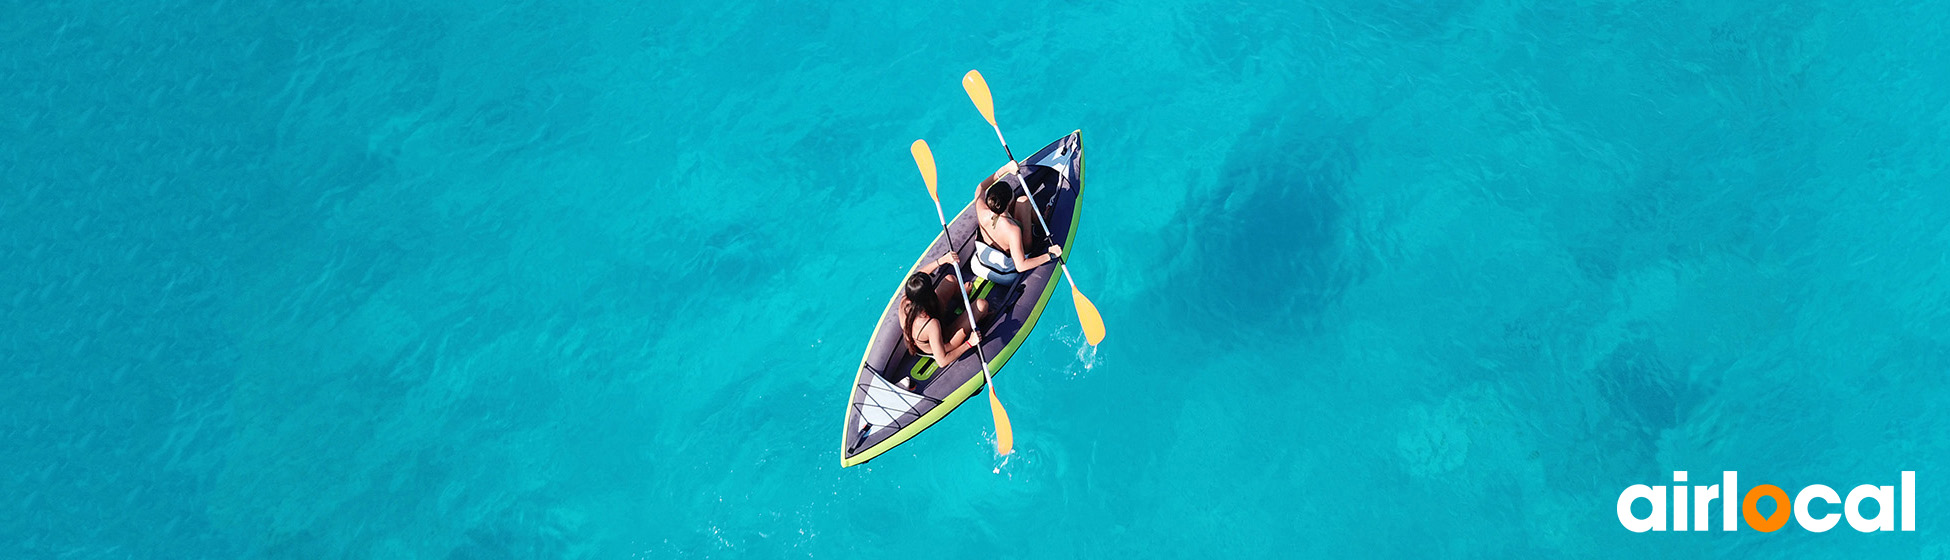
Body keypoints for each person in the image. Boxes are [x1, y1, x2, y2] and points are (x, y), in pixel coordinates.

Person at [900, 251, 992, 386]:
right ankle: (982, 316)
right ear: (928, 295)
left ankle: (962, 296)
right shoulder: (931, 324)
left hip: (929, 322)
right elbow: (942, 361)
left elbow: (919, 275)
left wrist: (942, 260)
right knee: (981, 305)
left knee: (950, 280)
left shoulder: (906, 300)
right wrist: (969, 343)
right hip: (943, 344)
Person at [972, 161, 1061, 284]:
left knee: (1022, 202)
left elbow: (980, 188)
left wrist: (1005, 169)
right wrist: (1050, 255)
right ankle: (1041, 224)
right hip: (1006, 274)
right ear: (1009, 203)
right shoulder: (1013, 230)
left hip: (979, 264)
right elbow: (1021, 266)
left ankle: (1039, 222)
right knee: (1023, 201)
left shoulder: (982, 210)